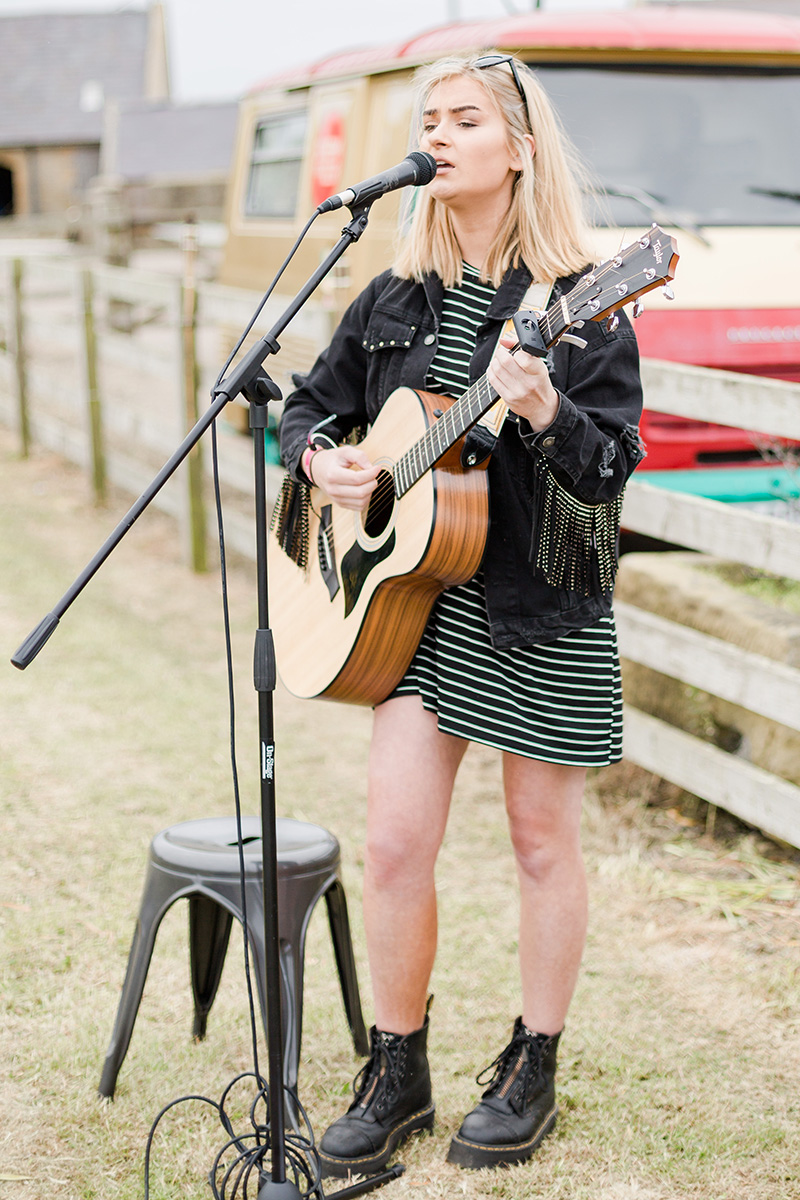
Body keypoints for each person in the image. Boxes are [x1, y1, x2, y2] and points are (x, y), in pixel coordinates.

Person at [278, 52, 645, 1176]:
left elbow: (610, 473)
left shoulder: (579, 301)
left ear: (518, 147)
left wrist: (539, 410)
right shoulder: (389, 296)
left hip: (539, 599)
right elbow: (303, 410)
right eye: (426, 118)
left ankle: (530, 1063)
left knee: (540, 845)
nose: (437, 134)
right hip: (412, 606)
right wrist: (326, 464)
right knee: (391, 845)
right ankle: (398, 1069)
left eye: (463, 118)